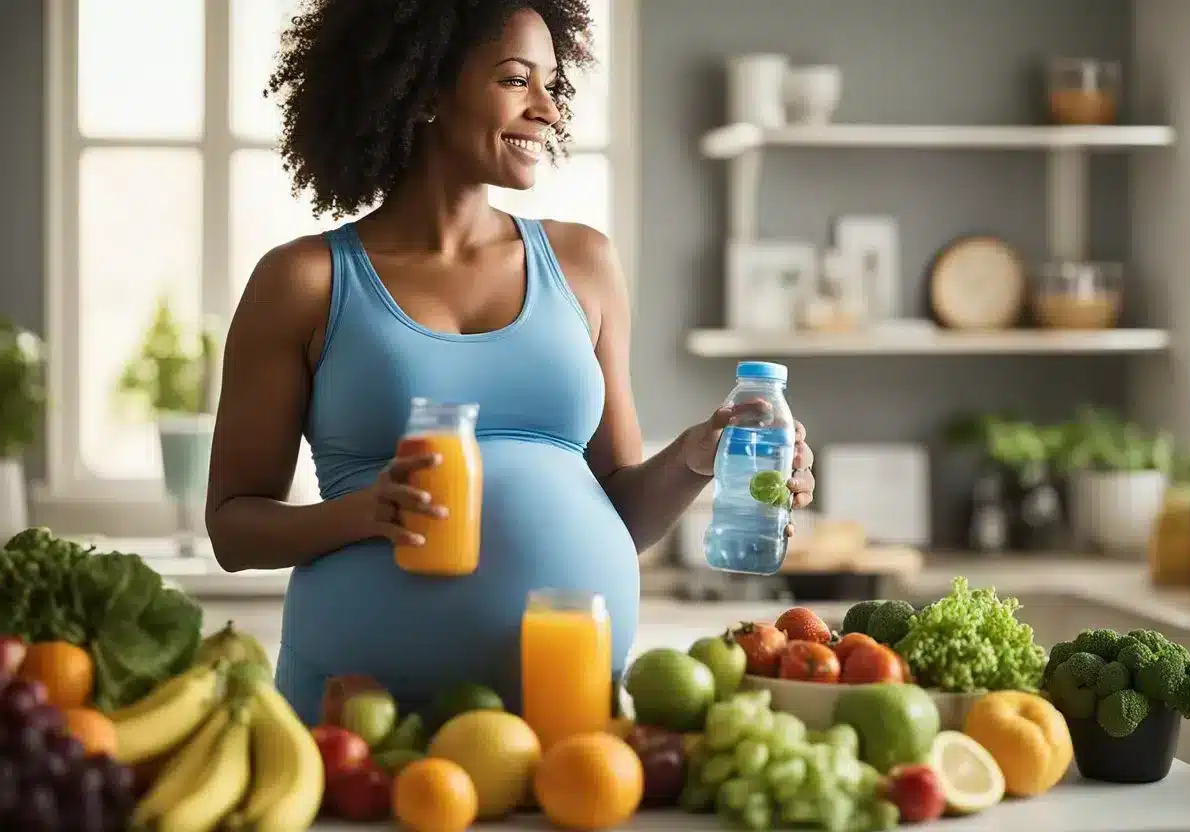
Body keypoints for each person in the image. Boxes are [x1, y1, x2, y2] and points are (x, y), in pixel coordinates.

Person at [204, 0, 815, 725]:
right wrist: (363, 514)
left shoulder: (583, 262)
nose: (548, 111)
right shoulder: (305, 281)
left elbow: (619, 509)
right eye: (516, 80)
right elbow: (234, 529)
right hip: (360, 720)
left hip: (565, 724)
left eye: (553, 84)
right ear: (425, 87)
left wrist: (693, 457)